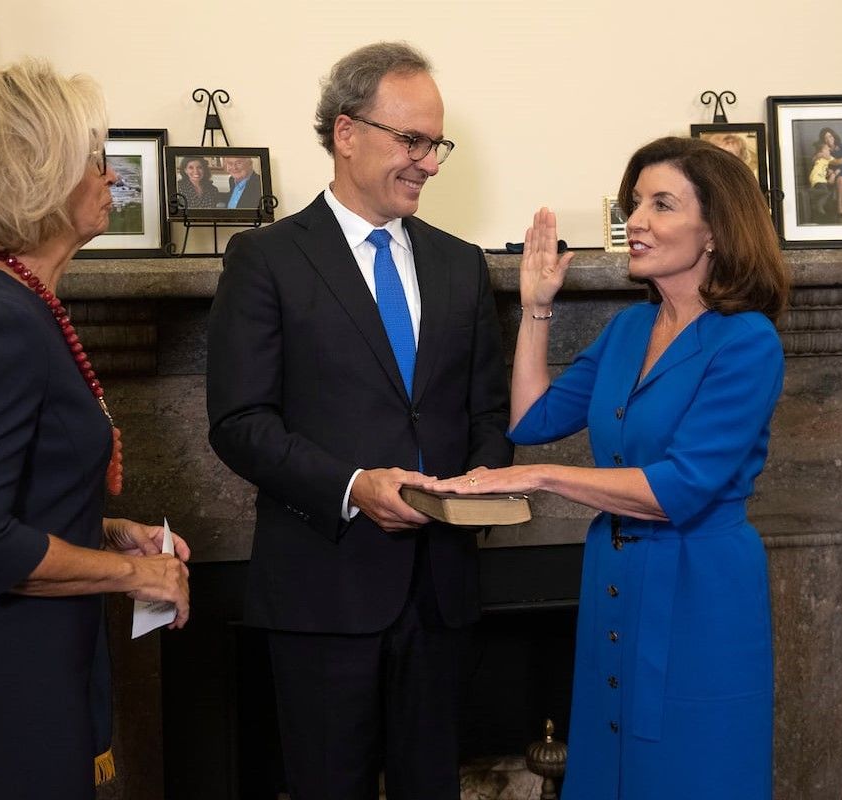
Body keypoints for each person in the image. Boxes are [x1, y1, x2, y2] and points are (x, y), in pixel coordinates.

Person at [432, 136, 790, 800]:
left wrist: (539, 477)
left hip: (701, 587)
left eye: (661, 204)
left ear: (715, 229)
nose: (637, 221)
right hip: (615, 574)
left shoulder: (747, 343)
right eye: (634, 204)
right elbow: (531, 419)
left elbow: (678, 489)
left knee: (693, 771)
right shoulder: (629, 329)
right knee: (609, 764)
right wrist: (536, 305)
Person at [206, 42, 511, 800]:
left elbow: (485, 411)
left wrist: (480, 484)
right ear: (346, 132)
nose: (429, 163)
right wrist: (353, 486)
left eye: (435, 144)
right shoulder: (265, 258)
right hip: (322, 589)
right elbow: (239, 421)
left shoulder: (461, 265)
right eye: (412, 140)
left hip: (440, 593)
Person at [0, 59, 191, 800]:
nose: (111, 177)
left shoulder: (11, 300)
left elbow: (14, 495)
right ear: (36, 178)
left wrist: (107, 531)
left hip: (26, 659)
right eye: (93, 161)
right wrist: (136, 575)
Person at [820, 127, 842, 217]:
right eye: (826, 138)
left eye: (830, 136)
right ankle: (839, 206)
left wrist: (836, 171)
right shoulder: (824, 149)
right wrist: (830, 171)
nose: (829, 139)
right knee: (841, 180)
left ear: (834, 136)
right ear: (823, 140)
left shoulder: (841, 146)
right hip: (831, 172)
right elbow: (824, 163)